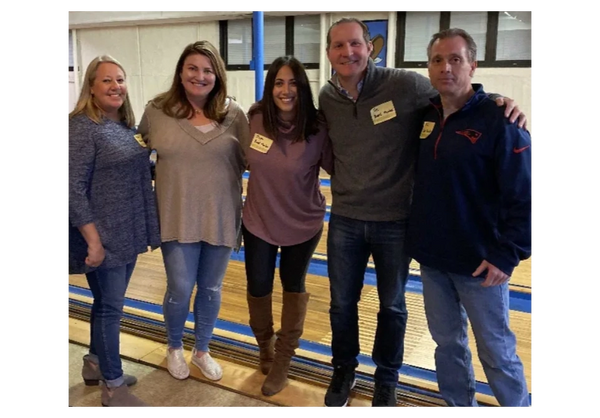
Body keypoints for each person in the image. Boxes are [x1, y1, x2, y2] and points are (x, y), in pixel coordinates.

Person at [318, 17, 528, 409]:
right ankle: (348, 370)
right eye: (339, 46)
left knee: (405, 312)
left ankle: (388, 379)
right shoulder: (331, 99)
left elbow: (464, 96)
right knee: (351, 308)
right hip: (370, 228)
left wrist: (502, 101)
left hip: (417, 232)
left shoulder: (406, 85)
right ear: (329, 53)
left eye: (356, 44)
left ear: (369, 47)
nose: (348, 53)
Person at [405, 28, 533, 409]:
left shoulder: (501, 119)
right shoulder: (424, 117)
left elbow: (526, 196)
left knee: (496, 350)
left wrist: (507, 254)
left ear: (473, 65)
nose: (446, 67)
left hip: (481, 264)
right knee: (447, 346)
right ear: (428, 68)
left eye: (455, 59)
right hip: (433, 261)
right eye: (437, 60)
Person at [137, 41, 250, 382]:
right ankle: (174, 346)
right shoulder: (157, 110)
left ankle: (202, 349)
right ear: (181, 72)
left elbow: (258, 161)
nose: (200, 76)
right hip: (176, 215)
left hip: (221, 215)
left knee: (212, 288)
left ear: (218, 75)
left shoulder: (235, 115)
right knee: (180, 287)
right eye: (193, 68)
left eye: (208, 70)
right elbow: (135, 153)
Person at [66, 55, 161, 409]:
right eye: (106, 80)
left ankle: (94, 363)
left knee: (106, 304)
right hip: (102, 237)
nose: (115, 86)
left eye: (120, 80)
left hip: (127, 232)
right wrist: (92, 240)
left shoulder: (125, 126)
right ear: (91, 85)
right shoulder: (80, 126)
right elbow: (71, 188)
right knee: (110, 308)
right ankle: (113, 386)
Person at [242, 56, 333, 396]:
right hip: (259, 220)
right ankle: (264, 345)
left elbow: (341, 164)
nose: (286, 90)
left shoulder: (318, 127)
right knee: (258, 284)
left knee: (292, 285)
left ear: (303, 88)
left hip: (302, 222)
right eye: (279, 82)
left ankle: (283, 360)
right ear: (270, 87)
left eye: (293, 82)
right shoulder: (253, 120)